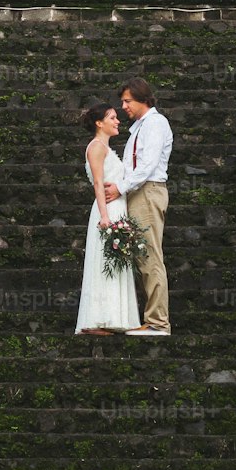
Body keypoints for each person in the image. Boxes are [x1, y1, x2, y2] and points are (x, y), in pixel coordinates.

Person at [106, 76, 172, 336]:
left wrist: (120, 187)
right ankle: (152, 319)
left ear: (143, 98)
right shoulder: (140, 126)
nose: (123, 106)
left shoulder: (155, 123)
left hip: (148, 191)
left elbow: (146, 166)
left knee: (150, 256)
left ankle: (158, 322)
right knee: (142, 257)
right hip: (139, 192)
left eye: (127, 101)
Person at [74, 101, 141, 336]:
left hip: (117, 209)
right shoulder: (96, 147)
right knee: (106, 263)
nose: (118, 121)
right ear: (99, 123)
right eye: (112, 117)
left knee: (115, 262)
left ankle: (116, 317)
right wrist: (104, 216)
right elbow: (97, 183)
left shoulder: (106, 147)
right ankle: (98, 319)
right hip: (108, 211)